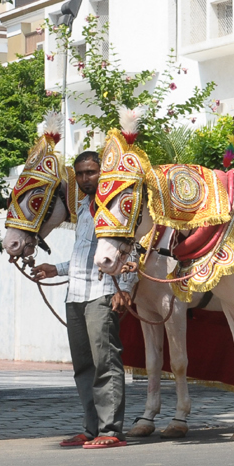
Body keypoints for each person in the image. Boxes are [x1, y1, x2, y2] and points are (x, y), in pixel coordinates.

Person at [33, 150, 137, 449]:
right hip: (75, 293)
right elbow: (83, 255)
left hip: (102, 292)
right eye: (80, 174)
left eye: (90, 172)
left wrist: (124, 287)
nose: (84, 178)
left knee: (105, 361)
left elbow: (135, 248)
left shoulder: (118, 207)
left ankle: (112, 431)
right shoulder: (81, 206)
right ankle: (92, 429)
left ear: (102, 172)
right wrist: (57, 269)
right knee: (83, 365)